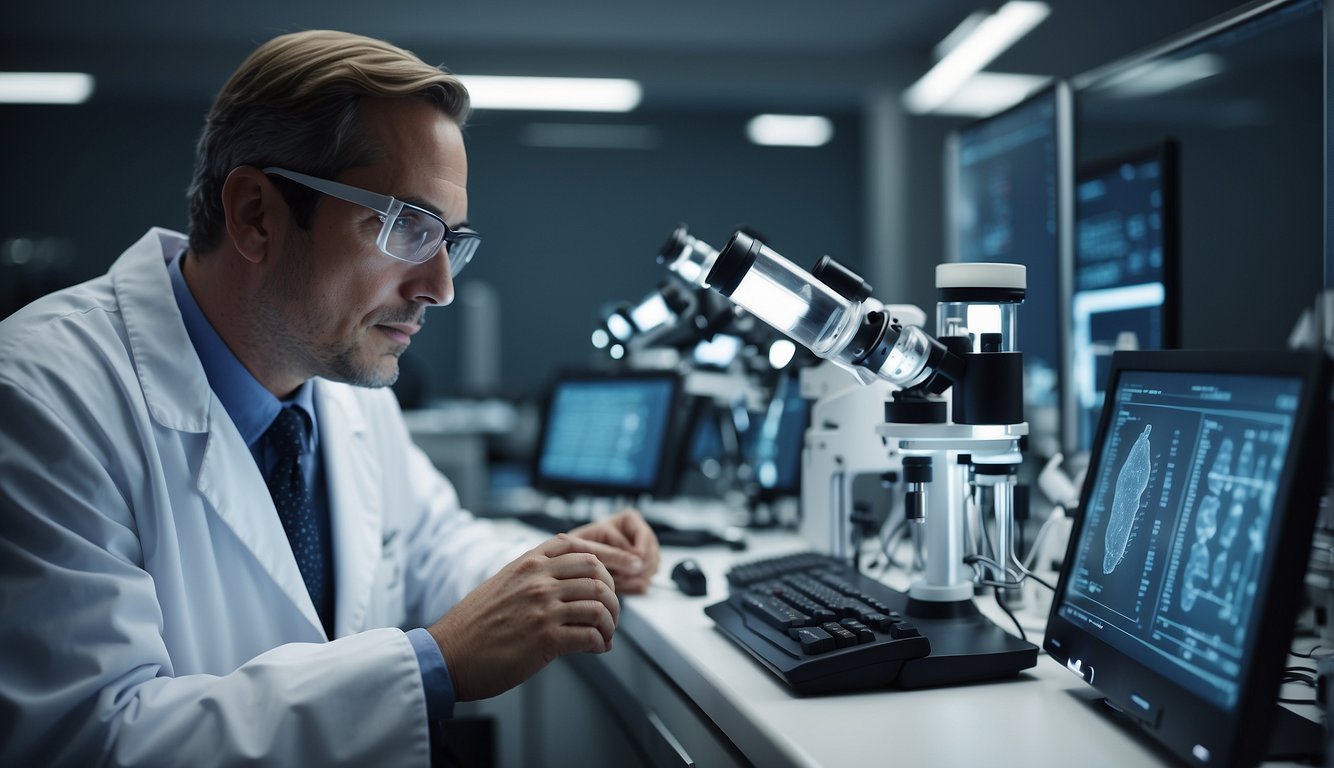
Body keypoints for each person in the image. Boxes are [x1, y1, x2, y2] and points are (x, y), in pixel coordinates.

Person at [0, 29, 660, 766]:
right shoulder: (40, 398)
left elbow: (429, 549)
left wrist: (559, 563)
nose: (440, 287)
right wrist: (432, 666)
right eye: (406, 226)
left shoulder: (340, 384)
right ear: (256, 213)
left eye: (450, 239)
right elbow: (84, 740)